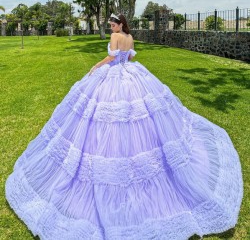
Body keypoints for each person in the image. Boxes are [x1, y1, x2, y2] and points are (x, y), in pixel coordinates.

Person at [5, 13, 243, 240]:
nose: (111, 28)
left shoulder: (116, 38)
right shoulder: (129, 38)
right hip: (133, 75)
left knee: (110, 117)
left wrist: (97, 66)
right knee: (138, 116)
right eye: (110, 26)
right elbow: (130, 58)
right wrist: (118, 59)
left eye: (112, 25)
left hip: (116, 77)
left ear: (119, 25)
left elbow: (111, 58)